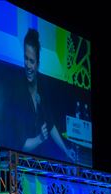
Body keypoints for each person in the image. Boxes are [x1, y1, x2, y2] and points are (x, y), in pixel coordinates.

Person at [6, 28, 75, 163]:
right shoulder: (17, 91)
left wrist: (66, 151)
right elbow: (22, 145)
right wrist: (40, 138)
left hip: (40, 160)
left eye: (32, 61)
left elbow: (50, 123)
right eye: (26, 59)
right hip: (18, 161)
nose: (28, 65)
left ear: (38, 64)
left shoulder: (42, 85)